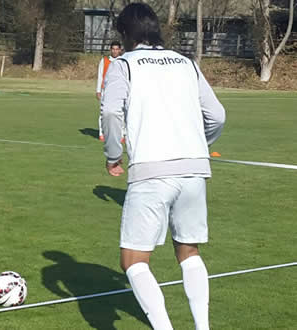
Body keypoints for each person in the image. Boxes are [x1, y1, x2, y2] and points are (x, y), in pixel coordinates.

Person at [101, 3, 225, 330]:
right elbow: (217, 115)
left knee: (133, 261)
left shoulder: (123, 64)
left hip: (151, 172)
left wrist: (113, 156)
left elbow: (112, 114)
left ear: (126, 34)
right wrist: (199, 147)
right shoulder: (187, 63)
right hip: (194, 171)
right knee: (189, 251)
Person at [96, 41, 123, 142]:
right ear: (110, 50)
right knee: (103, 112)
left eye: (117, 49)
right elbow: (100, 76)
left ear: (120, 50)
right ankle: (102, 133)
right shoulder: (105, 60)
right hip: (106, 90)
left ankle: (121, 134)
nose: (115, 51)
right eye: (113, 49)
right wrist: (98, 90)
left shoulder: (123, 61)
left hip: (119, 91)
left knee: (121, 113)